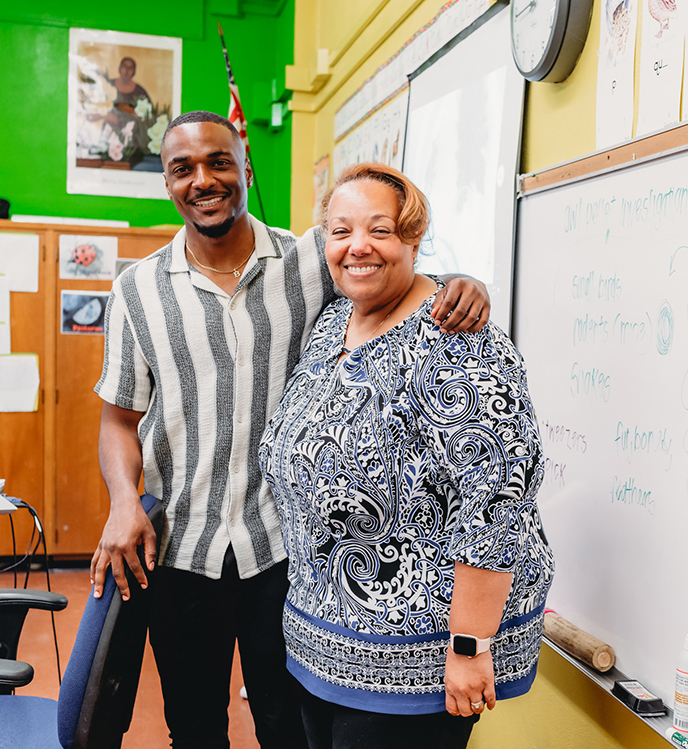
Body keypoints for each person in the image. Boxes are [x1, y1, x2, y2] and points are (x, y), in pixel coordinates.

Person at [91, 112, 490, 749]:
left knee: (288, 726)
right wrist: (120, 502)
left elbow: (385, 274)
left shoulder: (308, 260)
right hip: (180, 550)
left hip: (286, 553)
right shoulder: (135, 289)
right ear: (167, 183)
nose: (204, 180)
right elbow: (118, 416)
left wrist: (459, 283)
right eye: (183, 169)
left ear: (245, 166)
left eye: (218, 162)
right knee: (193, 727)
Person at [259, 164, 554, 749]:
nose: (357, 246)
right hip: (325, 642)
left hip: (417, 658)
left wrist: (470, 647)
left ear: (414, 239)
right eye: (340, 232)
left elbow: (497, 501)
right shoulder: (334, 322)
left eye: (380, 230)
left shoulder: (456, 338)